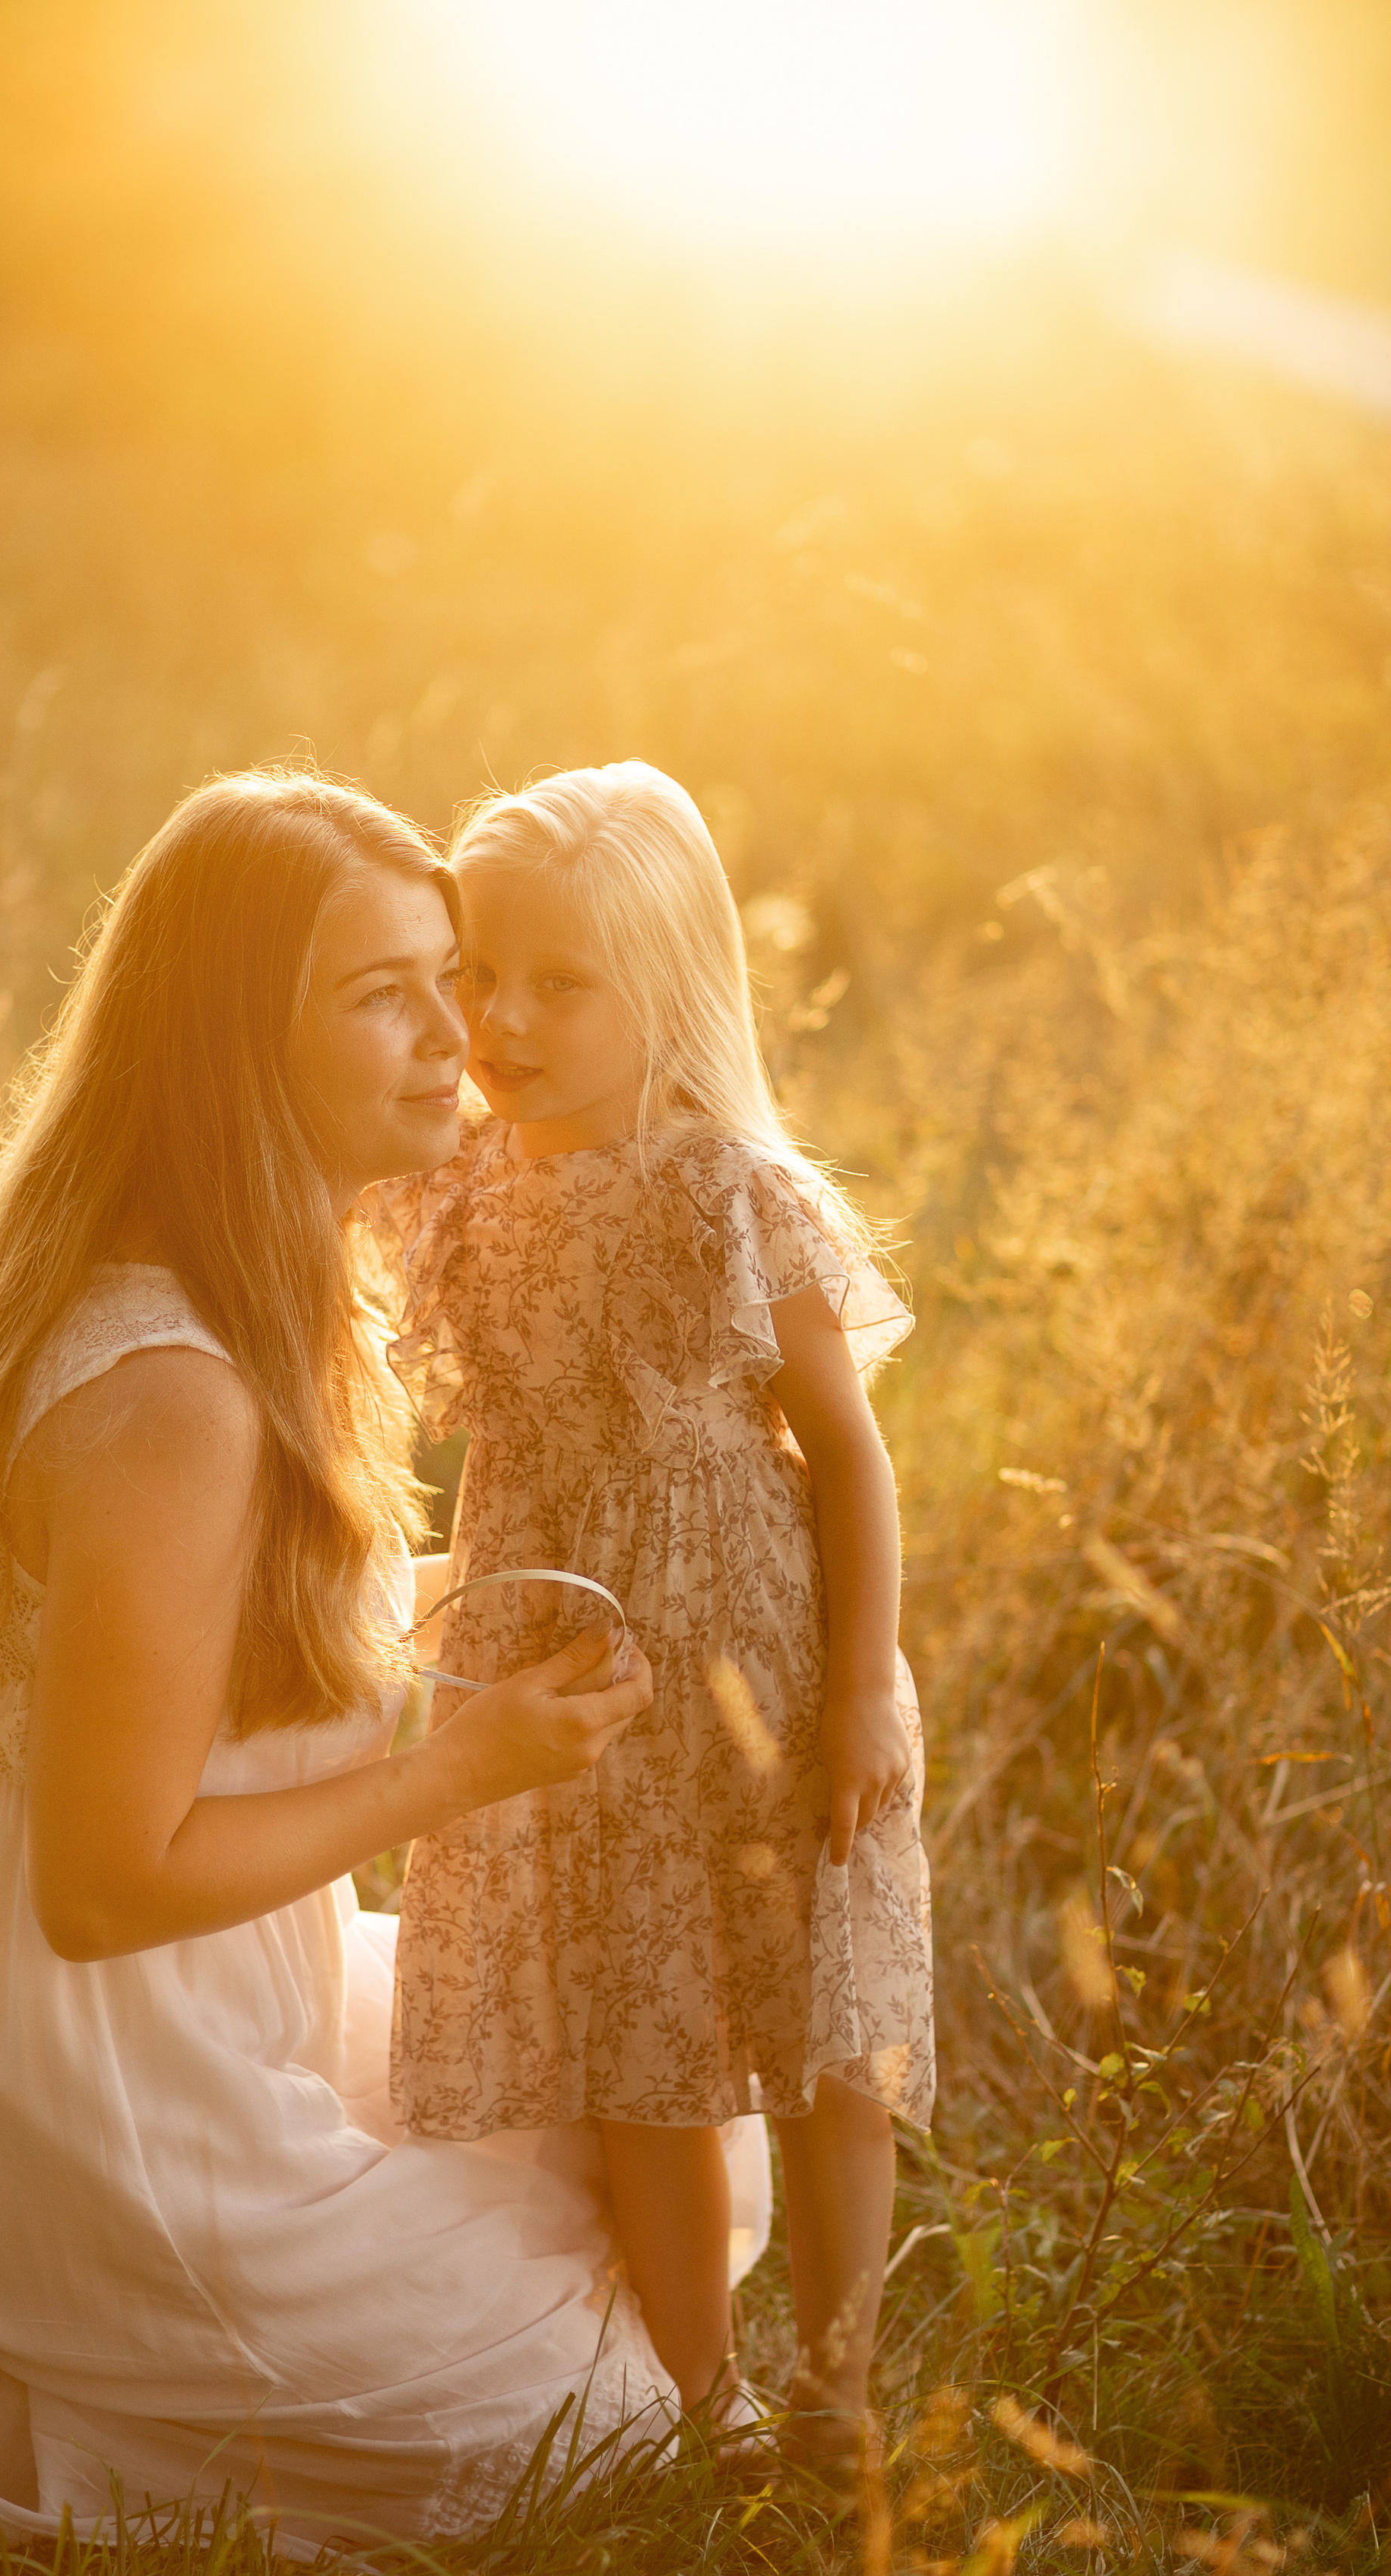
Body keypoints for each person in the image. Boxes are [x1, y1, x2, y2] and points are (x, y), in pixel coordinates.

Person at [0, 767, 772, 2563]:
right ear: (239, 1048)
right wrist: (454, 1769)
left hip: (155, 2020)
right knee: (588, 2429)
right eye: (385, 996)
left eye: (450, 975)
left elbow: (236, 1648)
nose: (458, 1036)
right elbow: (105, 1885)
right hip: (93, 2092)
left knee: (671, 2131)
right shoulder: (171, 1395)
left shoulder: (238, 1290)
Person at [368, 761, 933, 2464]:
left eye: (560, 983)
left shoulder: (726, 1189)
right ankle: (703, 2403)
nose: (500, 1022)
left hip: (759, 1653)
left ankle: (837, 2394)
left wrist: (859, 1688)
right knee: (640, 2038)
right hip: (565, 1668)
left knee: (821, 2025)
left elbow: (846, 1452)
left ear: (667, 986)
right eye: (478, 973)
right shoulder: (457, 1186)